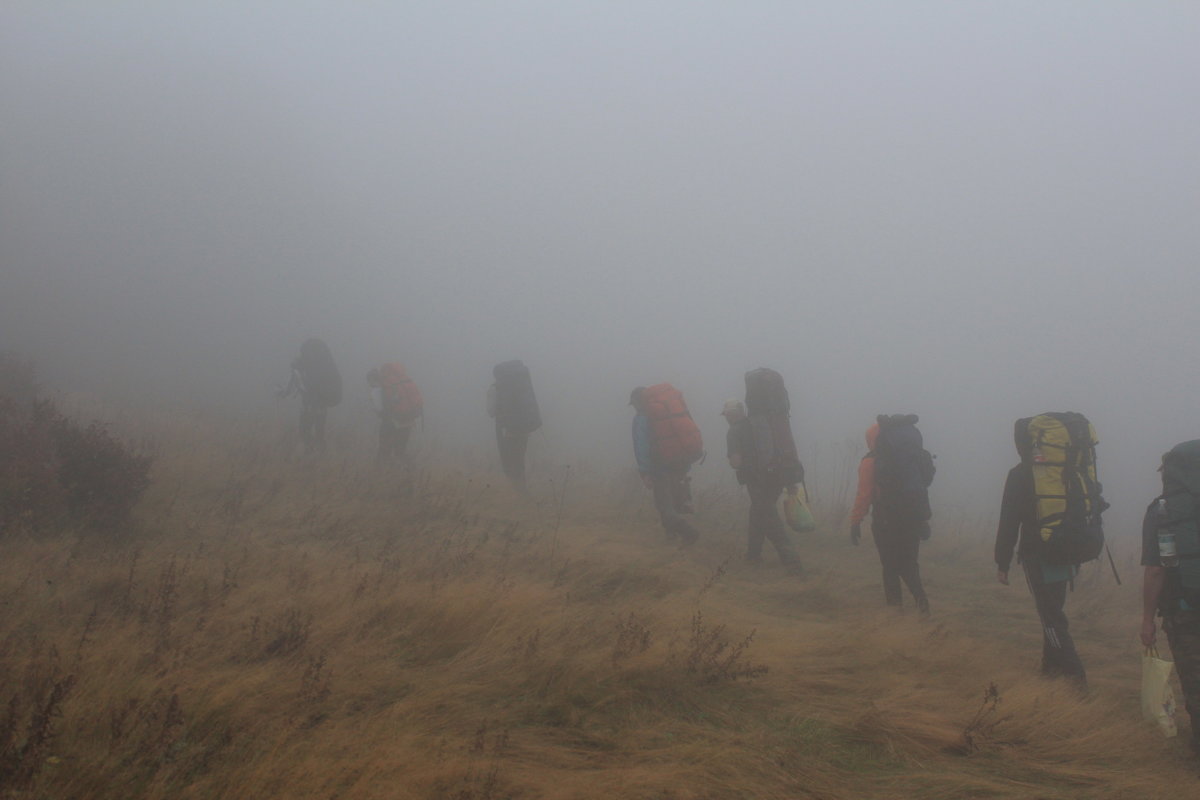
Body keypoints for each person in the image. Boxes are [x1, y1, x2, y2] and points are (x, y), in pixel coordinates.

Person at [995, 419, 1087, 689]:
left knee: (1051, 619)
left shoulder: (1022, 473)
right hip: (1067, 551)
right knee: (1053, 610)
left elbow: (1009, 520)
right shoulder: (1067, 471)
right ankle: (1049, 672)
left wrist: (1002, 561)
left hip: (1038, 553)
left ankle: (1075, 678)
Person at [1140, 442, 1200, 758]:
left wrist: (1148, 620)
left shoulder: (1161, 510)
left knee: (1195, 683)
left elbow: (1154, 571)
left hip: (1184, 611)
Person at [850, 418, 931, 614]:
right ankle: (922, 603)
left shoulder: (871, 461)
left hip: (886, 520)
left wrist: (855, 521)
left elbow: (864, 495)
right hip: (913, 516)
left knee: (890, 565)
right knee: (909, 562)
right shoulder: (912, 457)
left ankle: (895, 612)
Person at [722, 399, 801, 570]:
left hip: (757, 481)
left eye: (726, 415)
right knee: (757, 514)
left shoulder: (735, 431)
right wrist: (789, 483)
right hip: (776, 479)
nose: (726, 419)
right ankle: (753, 556)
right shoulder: (761, 426)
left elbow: (736, 462)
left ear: (732, 414)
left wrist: (733, 462)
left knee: (769, 519)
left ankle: (793, 563)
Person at [630, 385, 700, 545]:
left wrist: (645, 472)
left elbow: (642, 446)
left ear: (638, 402)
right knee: (673, 503)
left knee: (664, 506)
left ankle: (689, 533)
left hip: (659, 467)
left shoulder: (642, 418)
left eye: (633, 404)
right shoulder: (667, 412)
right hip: (678, 464)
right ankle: (671, 538)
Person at [279, 338, 342, 455]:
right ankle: (318, 456)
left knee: (305, 432)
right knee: (319, 433)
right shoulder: (325, 366)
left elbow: (305, 386)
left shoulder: (309, 367)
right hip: (321, 407)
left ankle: (310, 454)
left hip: (310, 406)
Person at [488, 360, 541, 494]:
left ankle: (517, 494)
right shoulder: (521, 385)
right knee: (519, 460)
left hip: (505, 429)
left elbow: (491, 411)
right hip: (523, 427)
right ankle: (522, 492)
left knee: (508, 462)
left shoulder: (495, 388)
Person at [367, 363, 422, 463]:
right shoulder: (401, 380)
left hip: (392, 421)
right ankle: (410, 473)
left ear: (374, 379)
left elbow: (380, 410)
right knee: (400, 451)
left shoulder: (380, 387)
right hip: (408, 418)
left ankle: (380, 474)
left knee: (384, 451)